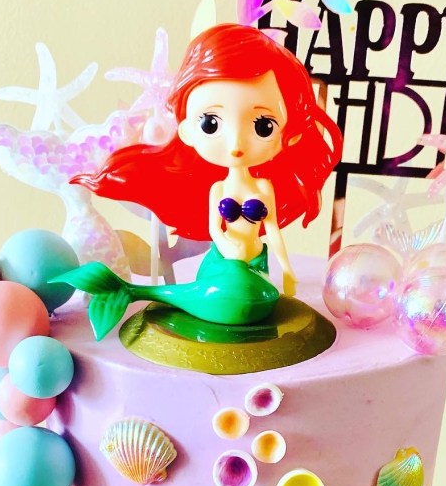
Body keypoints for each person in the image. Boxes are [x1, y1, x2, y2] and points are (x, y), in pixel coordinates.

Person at [62, 23, 343, 336]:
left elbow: (273, 231)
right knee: (237, 300)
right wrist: (226, 245)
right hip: (222, 262)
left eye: (263, 126)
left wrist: (287, 269)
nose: (236, 143)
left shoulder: (264, 188)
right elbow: (214, 228)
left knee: (253, 302)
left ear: (288, 134)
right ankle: (137, 292)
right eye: (211, 123)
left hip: (255, 263)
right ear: (186, 130)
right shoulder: (219, 189)